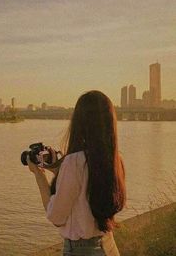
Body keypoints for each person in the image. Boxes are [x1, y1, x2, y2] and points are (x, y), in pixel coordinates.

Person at [27, 90, 126, 256]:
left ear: (79, 122)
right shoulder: (116, 160)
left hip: (82, 251)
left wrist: (39, 174)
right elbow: (87, 187)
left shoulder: (74, 162)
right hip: (108, 246)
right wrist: (59, 171)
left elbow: (56, 217)